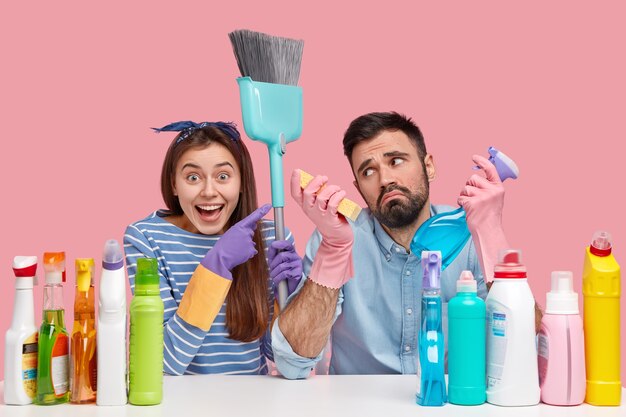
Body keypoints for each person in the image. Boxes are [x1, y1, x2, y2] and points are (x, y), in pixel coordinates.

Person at [272, 111, 511, 378]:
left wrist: (491, 235)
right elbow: (292, 364)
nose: (384, 179)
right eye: (368, 171)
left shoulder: (469, 235)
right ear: (358, 187)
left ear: (428, 166)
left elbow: (522, 350)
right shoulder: (334, 236)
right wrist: (333, 252)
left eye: (396, 161)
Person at [124, 121, 303, 375]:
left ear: (241, 182)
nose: (209, 191)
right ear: (174, 184)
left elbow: (281, 358)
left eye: (222, 176)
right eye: (193, 177)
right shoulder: (146, 239)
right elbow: (162, 365)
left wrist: (290, 300)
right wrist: (216, 265)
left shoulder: (272, 237)